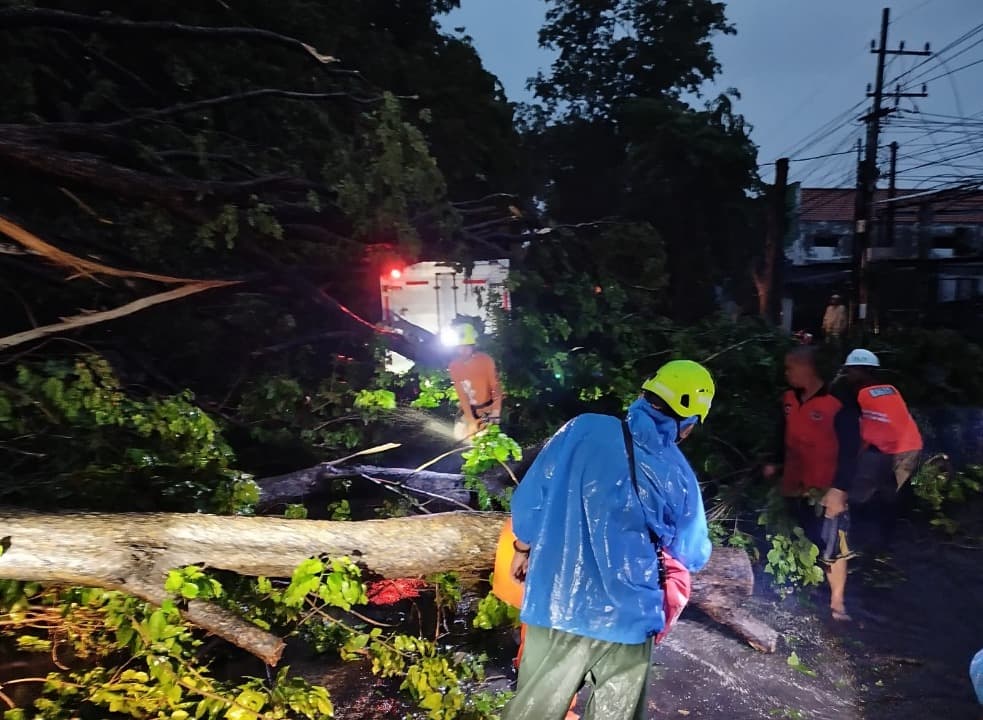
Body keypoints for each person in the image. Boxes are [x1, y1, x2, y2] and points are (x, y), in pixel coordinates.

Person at [501, 360, 714, 720]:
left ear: (645, 395)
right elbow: (692, 555)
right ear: (688, 424)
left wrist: (522, 549)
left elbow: (529, 501)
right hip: (627, 622)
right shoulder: (679, 475)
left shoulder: (581, 429)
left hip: (556, 604)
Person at [763, 346, 860, 621]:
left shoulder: (838, 404)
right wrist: (774, 462)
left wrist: (839, 489)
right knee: (798, 537)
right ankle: (800, 592)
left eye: (791, 367)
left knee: (833, 546)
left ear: (809, 368)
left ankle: (837, 604)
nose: (787, 372)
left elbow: (851, 450)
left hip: (826, 489)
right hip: (794, 484)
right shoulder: (788, 399)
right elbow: (782, 434)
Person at [839, 348, 923, 547]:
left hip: (887, 451)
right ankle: (887, 540)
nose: (848, 376)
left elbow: (857, 429)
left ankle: (859, 541)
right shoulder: (891, 389)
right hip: (911, 447)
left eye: (850, 371)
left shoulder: (859, 395)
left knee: (859, 494)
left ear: (860, 371)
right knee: (889, 493)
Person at [447, 322, 502, 440]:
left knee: (488, 442)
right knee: (460, 436)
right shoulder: (454, 366)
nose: (463, 351)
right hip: (469, 411)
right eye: (460, 347)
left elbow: (496, 387)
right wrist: (470, 419)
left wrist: (496, 411)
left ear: (473, 346)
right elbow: (462, 395)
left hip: (489, 410)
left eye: (466, 347)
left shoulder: (485, 360)